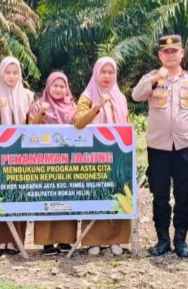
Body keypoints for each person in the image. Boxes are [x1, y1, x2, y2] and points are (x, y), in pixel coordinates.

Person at [131, 34, 188, 258]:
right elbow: (136, 95)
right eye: (166, 52)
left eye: (174, 51)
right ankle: (162, 239)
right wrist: (156, 77)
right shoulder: (152, 78)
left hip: (184, 146)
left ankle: (181, 239)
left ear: (182, 53)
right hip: (158, 148)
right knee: (160, 194)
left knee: (184, 194)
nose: (170, 55)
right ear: (159, 55)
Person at [73, 57, 132, 256]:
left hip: (117, 154)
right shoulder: (87, 95)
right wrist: (97, 107)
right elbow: (78, 122)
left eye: (111, 72)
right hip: (94, 155)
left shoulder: (120, 97)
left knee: (118, 193)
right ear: (96, 73)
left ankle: (117, 239)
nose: (107, 76)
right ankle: (93, 240)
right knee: (95, 193)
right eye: (103, 72)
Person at [0, 56, 33, 254]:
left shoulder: (28, 96)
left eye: (15, 73)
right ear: (0, 73)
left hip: (21, 155)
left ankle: (15, 240)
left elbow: (32, 125)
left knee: (16, 194)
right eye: (7, 72)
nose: (11, 77)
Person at [28, 71, 79, 255]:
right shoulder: (37, 106)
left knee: (66, 197)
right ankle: (47, 242)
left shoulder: (73, 107)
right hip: (45, 160)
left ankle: (66, 240)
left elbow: (80, 125)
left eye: (62, 86)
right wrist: (42, 111)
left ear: (67, 88)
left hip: (68, 160)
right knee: (47, 197)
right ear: (48, 87)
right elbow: (31, 129)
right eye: (55, 85)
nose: (58, 89)